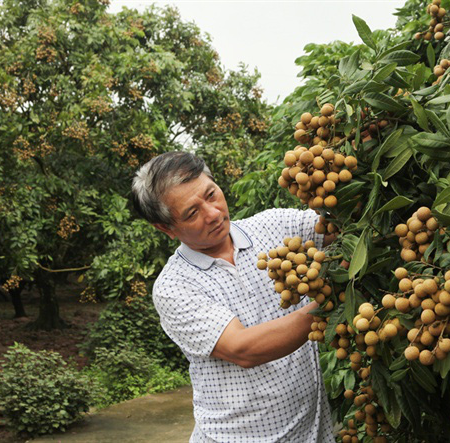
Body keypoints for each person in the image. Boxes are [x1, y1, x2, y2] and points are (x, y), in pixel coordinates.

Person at [131, 151, 334, 442]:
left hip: (312, 432)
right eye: (192, 213)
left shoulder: (274, 227)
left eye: (211, 195)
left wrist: (361, 150)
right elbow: (244, 348)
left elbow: (339, 224)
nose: (213, 213)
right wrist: (332, 297)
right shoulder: (175, 287)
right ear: (166, 228)